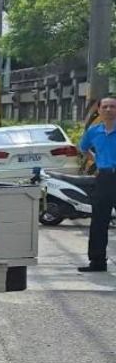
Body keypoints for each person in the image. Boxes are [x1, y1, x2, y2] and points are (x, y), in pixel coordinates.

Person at [77, 95, 116, 273]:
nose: (109, 110)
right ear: (99, 110)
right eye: (105, 107)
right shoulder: (94, 131)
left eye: (112, 107)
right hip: (104, 178)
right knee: (99, 221)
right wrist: (96, 161)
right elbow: (83, 148)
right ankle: (97, 262)